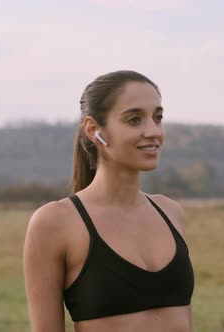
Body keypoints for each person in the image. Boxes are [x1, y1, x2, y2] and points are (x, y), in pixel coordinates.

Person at [23, 70, 195, 332]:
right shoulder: (56, 222)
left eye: (157, 117)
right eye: (134, 119)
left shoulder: (170, 212)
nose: (153, 131)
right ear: (94, 130)